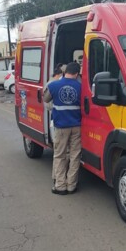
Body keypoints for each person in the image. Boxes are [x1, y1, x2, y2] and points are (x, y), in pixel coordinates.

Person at [43, 62, 82, 195]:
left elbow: (46, 99)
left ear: (65, 72)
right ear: (77, 74)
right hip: (76, 126)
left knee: (59, 155)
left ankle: (60, 186)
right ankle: (71, 185)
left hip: (60, 127)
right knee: (75, 155)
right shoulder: (80, 86)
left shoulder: (53, 85)